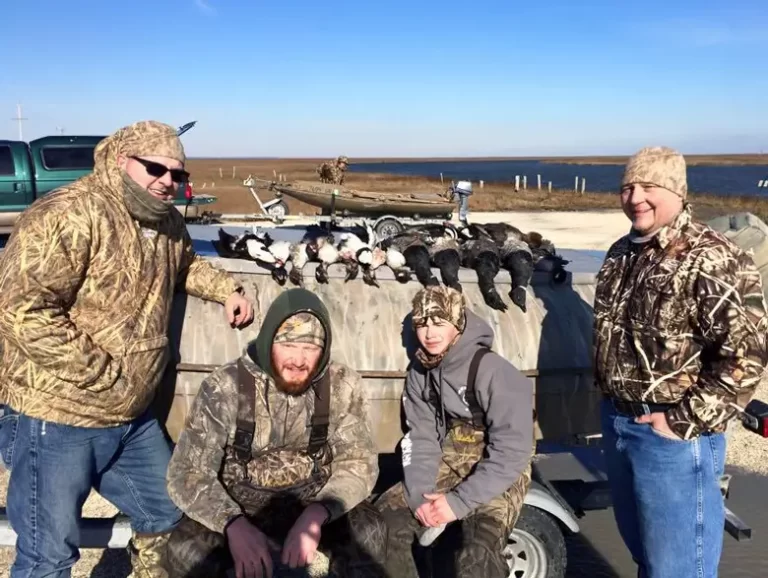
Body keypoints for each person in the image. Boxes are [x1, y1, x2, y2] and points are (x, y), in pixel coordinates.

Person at [0, 120, 255, 578]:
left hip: (130, 419)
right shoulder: (69, 214)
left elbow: (188, 265)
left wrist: (228, 289)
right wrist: (102, 373)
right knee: (48, 557)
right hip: (57, 416)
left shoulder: (167, 220)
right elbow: (22, 311)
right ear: (121, 161)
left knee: (172, 517)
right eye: (155, 168)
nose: (167, 181)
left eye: (177, 174)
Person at [593, 146, 768, 578]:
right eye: (628, 187)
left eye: (649, 187)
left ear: (677, 191)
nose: (636, 197)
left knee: (678, 570)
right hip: (618, 423)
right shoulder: (620, 253)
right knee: (647, 561)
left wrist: (681, 422)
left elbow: (746, 354)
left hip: (671, 437)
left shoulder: (710, 256)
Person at [165, 288, 388, 578]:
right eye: (288, 345)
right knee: (185, 550)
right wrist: (232, 524)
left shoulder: (342, 385)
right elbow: (188, 472)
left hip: (315, 497)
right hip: (240, 504)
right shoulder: (224, 387)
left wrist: (316, 515)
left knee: (370, 533)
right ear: (269, 339)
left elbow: (359, 463)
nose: (298, 360)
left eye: (310, 348)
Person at [375, 285, 534, 578]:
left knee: (474, 555)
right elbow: (421, 437)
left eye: (439, 323)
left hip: (498, 467)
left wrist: (457, 503)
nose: (429, 333)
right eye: (422, 324)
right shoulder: (419, 372)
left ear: (458, 324)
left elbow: (513, 451)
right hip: (448, 458)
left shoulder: (494, 371)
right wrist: (420, 496)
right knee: (378, 526)